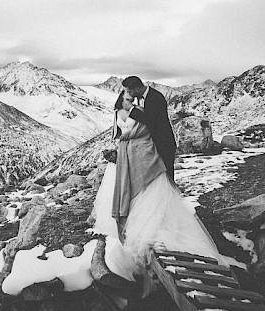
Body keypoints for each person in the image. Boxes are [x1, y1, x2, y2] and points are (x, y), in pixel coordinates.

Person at [92, 83, 219, 278]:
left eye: (130, 97)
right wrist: (118, 146)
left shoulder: (141, 109)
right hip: (126, 153)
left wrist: (130, 127)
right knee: (130, 187)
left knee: (147, 185)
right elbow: (118, 133)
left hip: (142, 151)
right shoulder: (119, 113)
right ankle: (132, 221)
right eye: (126, 97)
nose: (129, 100)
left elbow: (149, 127)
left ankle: (154, 224)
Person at [121, 76, 177, 183]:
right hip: (153, 143)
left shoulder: (155, 98)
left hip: (163, 142)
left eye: (129, 91)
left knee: (167, 175)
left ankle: (171, 197)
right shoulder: (141, 97)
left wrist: (131, 110)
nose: (128, 93)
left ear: (136, 89)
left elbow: (151, 121)